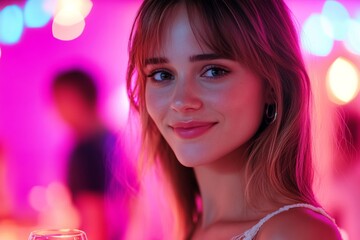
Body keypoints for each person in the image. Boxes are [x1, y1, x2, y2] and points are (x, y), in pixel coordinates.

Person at [126, 0, 342, 239]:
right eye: (162, 74)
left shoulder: (294, 233)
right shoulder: (190, 228)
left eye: (213, 71)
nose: (180, 101)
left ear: (272, 86)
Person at [51, 69, 118, 240]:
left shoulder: (85, 151)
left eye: (58, 102)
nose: (57, 112)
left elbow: (96, 223)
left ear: (73, 99)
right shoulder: (115, 140)